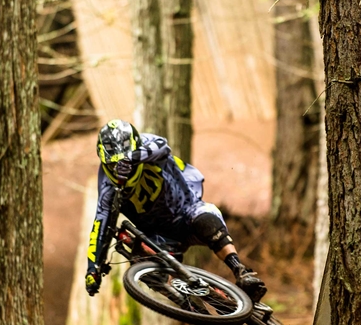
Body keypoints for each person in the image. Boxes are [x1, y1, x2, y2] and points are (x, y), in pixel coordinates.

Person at [84, 119, 266, 304]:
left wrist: (133, 157)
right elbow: (100, 225)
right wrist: (93, 269)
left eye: (121, 164)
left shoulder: (148, 144)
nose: (118, 170)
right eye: (112, 166)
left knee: (207, 219)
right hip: (158, 236)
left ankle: (241, 272)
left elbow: (163, 147)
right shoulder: (107, 186)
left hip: (186, 212)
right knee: (142, 267)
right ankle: (190, 308)